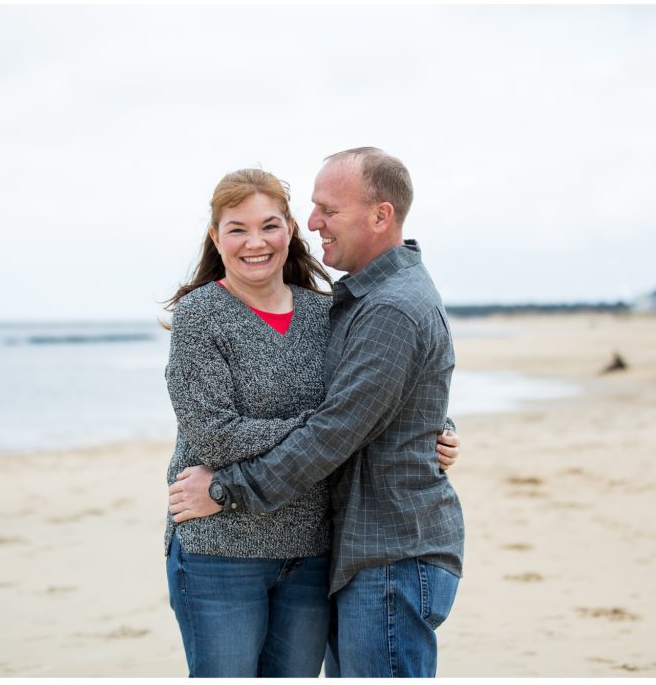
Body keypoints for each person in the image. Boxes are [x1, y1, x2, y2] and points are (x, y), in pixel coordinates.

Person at [170, 148, 465, 678]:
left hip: (321, 553)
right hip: (224, 548)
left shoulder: (335, 309)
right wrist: (384, 429)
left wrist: (427, 428)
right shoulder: (204, 314)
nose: (256, 242)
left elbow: (354, 415)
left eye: (272, 224)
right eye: (236, 229)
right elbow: (219, 437)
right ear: (215, 237)